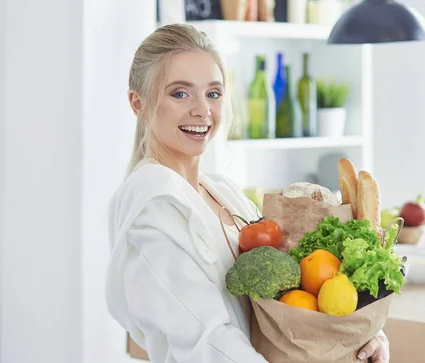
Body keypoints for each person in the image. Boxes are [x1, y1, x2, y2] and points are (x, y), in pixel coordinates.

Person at [105, 23, 390, 363]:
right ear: (138, 104)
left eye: (213, 93)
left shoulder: (223, 192)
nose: (202, 110)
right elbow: (206, 342)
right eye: (180, 93)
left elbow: (295, 289)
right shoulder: (152, 208)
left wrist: (360, 336)